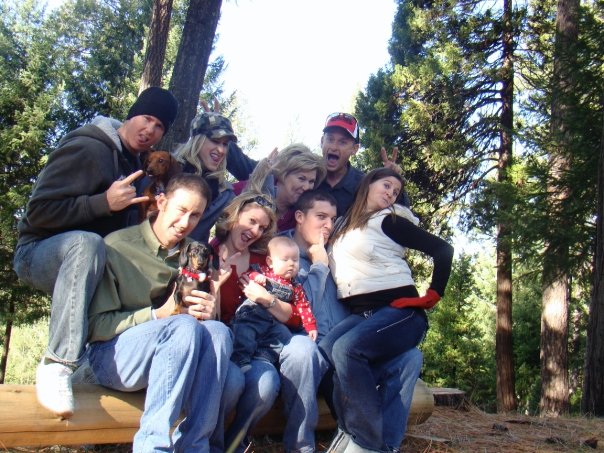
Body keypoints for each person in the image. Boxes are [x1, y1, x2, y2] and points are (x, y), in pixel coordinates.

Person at [12, 86, 178, 418]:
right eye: (146, 118)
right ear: (132, 115)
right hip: (39, 253)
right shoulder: (88, 147)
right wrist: (102, 203)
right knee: (87, 243)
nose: (149, 130)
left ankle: (90, 392)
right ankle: (57, 363)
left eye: (159, 126)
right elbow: (38, 212)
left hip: (94, 267)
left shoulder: (137, 164)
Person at [86, 173, 232, 451]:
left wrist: (209, 309)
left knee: (218, 331)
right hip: (112, 356)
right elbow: (96, 327)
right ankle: (152, 446)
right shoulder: (117, 246)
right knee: (182, 326)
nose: (185, 223)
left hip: (175, 353)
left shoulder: (194, 254)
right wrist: (158, 315)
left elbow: (199, 325)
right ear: (162, 202)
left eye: (195, 215)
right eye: (181, 210)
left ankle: (195, 446)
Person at [319, 168, 454, 452]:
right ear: (368, 184)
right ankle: (353, 428)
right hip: (363, 314)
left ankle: (366, 444)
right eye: (386, 185)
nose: (391, 193)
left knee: (346, 349)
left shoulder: (389, 221)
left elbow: (443, 250)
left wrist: (433, 295)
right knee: (328, 350)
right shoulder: (343, 224)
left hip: (398, 310)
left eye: (395, 191)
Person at [281, 189, 424, 452]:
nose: (328, 225)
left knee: (410, 357)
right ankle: (339, 443)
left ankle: (384, 446)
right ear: (299, 217)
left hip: (348, 348)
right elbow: (298, 307)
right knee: (322, 354)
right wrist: (319, 264)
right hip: (314, 354)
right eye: (321, 217)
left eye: (333, 219)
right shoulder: (283, 253)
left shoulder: (340, 253)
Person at [211, 192, 327, 453]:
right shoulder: (207, 255)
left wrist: (267, 299)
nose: (255, 231)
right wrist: (215, 289)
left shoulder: (263, 263)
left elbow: (295, 315)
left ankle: (235, 443)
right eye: (251, 221)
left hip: (261, 344)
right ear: (234, 217)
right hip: (227, 345)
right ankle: (211, 443)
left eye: (262, 227)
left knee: (265, 385)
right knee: (231, 383)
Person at [226, 112, 408, 218]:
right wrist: (222, 137)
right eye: (330, 139)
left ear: (355, 149)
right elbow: (249, 170)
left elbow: (397, 212)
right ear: (322, 141)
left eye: (343, 142)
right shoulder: (306, 170)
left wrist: (393, 180)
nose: (334, 146)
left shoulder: (363, 184)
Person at [231, 236, 318, 373]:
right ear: (270, 262)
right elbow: (246, 277)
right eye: (285, 260)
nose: (291, 264)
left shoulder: (296, 287)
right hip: (253, 315)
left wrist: (310, 326)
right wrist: (256, 276)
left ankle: (264, 356)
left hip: (273, 323)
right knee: (245, 333)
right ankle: (240, 358)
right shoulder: (264, 273)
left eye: (295, 260)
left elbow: (304, 307)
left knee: (284, 335)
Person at [173, 111, 238, 242]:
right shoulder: (168, 169)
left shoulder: (224, 194)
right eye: (215, 141)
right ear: (197, 140)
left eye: (225, 144)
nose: (221, 150)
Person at [234, 143, 326, 232]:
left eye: (311, 182)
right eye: (301, 178)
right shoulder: (245, 191)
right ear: (282, 173)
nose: (306, 187)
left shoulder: (300, 218)